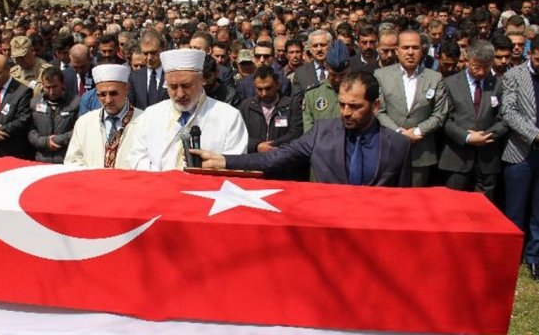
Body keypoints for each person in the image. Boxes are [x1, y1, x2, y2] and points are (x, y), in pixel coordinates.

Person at [192, 71, 412, 187]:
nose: (345, 112)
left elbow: (404, 202)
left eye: (355, 107)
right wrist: (225, 161)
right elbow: (276, 158)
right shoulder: (322, 132)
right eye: (342, 104)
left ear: (375, 106)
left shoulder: (399, 145)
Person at [128, 49, 247, 171]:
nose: (180, 94)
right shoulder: (151, 115)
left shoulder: (229, 117)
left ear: (201, 81)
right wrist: (166, 180)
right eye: (173, 87)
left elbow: (234, 165)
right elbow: (137, 158)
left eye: (186, 86)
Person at [375, 30, 448, 187]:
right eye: (405, 47)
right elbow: (379, 111)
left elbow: (439, 114)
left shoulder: (434, 78)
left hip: (421, 153)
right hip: (389, 150)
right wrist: (400, 133)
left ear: (422, 51)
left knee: (417, 203)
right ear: (397, 50)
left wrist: (417, 132)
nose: (410, 52)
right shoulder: (381, 75)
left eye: (415, 48)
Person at [438, 40, 507, 201]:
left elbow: (504, 119)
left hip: (487, 157)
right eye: (476, 67)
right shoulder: (450, 84)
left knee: (484, 209)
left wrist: (485, 136)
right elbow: (445, 119)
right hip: (457, 157)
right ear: (467, 60)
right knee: (454, 205)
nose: (481, 72)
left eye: (486, 67)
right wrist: (467, 137)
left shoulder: (499, 85)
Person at [500, 36, 539, 280]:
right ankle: (510, 256)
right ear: (530, 54)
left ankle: (534, 256)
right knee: (515, 208)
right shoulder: (515, 75)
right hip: (521, 151)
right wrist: (534, 135)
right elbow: (508, 111)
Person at [65, 64, 142, 169]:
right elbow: (73, 161)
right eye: (102, 94)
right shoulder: (84, 123)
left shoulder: (144, 121)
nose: (108, 100)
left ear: (127, 89)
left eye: (113, 93)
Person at [238, 65, 304, 180]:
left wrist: (272, 146)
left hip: (283, 167)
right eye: (259, 89)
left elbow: (296, 132)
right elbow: (238, 135)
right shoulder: (246, 106)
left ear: (277, 85)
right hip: (254, 166)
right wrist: (257, 146)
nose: (264, 93)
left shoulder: (290, 105)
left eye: (268, 88)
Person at [28, 66, 80, 164]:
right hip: (42, 160)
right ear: (43, 85)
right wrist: (45, 142)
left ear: (62, 84)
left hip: (67, 160)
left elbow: (78, 130)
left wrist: (58, 140)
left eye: (55, 86)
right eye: (48, 87)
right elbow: (30, 129)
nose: (51, 91)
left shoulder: (75, 102)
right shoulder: (34, 103)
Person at [303, 40, 350, 132]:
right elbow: (308, 131)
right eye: (333, 74)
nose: (337, 79)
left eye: (342, 75)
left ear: (349, 69)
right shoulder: (313, 94)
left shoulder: (357, 92)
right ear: (326, 66)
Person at [128, 30, 167, 110]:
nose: (149, 58)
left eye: (153, 53)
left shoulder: (172, 74)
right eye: (145, 53)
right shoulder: (134, 78)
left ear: (163, 49)